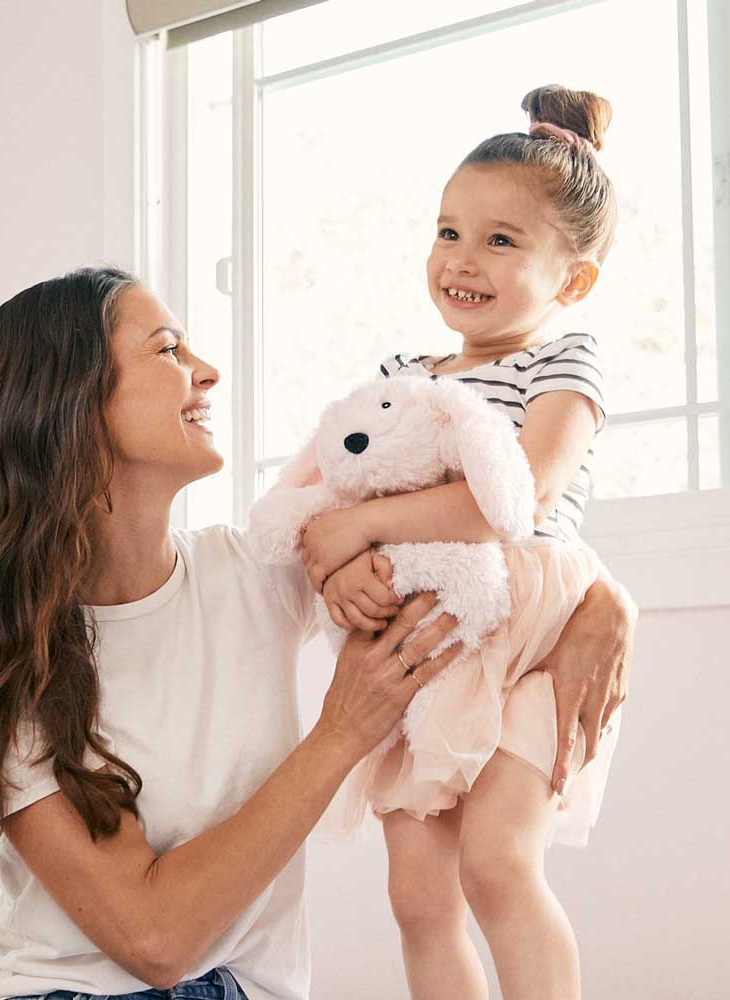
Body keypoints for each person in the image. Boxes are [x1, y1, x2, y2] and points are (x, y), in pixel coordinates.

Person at [0, 264, 635, 1000]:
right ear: (70, 404)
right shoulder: (2, 654)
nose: (207, 370)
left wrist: (607, 600)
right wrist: (341, 732)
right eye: (167, 349)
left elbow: (474, 543)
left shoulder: (250, 574)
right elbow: (157, 942)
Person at [298, 85, 628, 999]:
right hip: (432, 637)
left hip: (536, 635)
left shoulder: (566, 358)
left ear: (572, 280)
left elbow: (518, 497)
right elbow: (324, 498)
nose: (461, 260)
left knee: (496, 863)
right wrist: (342, 561)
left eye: (500, 239)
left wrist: (361, 525)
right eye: (448, 231)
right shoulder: (403, 375)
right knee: (416, 895)